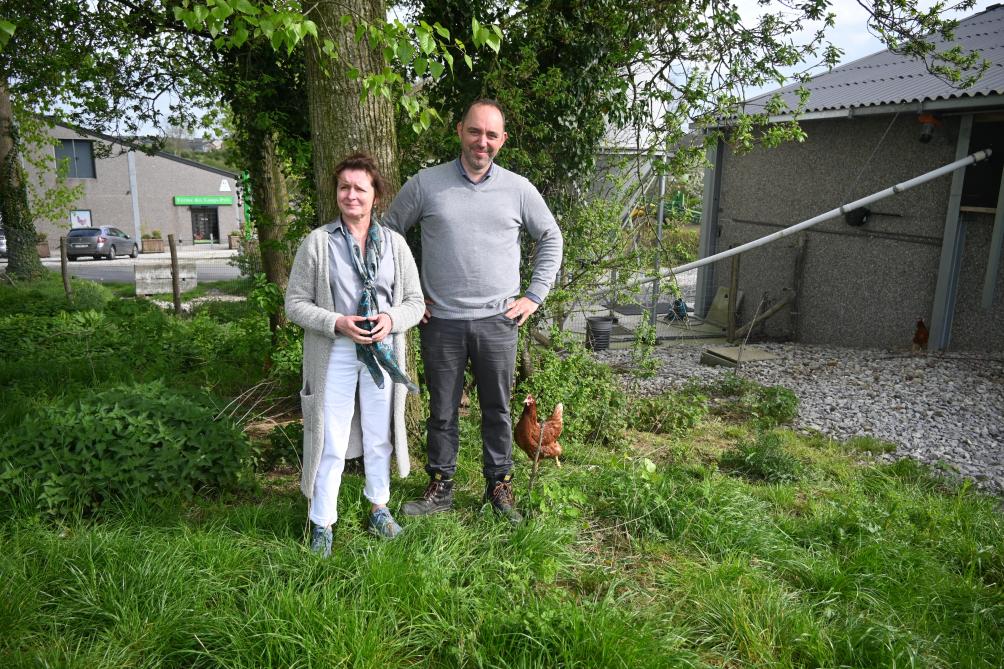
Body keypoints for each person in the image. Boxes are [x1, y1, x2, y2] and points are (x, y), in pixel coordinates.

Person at [383, 98, 563, 522]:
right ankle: (440, 487)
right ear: (460, 130)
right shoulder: (426, 184)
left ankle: (499, 487)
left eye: (491, 135)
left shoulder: (519, 190)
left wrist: (534, 295)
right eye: (475, 131)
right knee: (441, 409)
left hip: (499, 321)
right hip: (441, 320)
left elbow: (551, 238)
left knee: (498, 409)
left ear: (502, 140)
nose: (482, 141)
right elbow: (388, 234)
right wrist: (407, 296)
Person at [285, 152, 425, 556]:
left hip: (382, 353)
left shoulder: (395, 245)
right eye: (344, 187)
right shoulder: (318, 243)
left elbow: (415, 302)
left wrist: (390, 319)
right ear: (336, 193)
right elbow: (294, 303)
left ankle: (378, 506)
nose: (351, 195)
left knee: (380, 435)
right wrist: (336, 322)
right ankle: (322, 522)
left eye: (359, 188)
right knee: (331, 437)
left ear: (375, 195)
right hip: (336, 354)